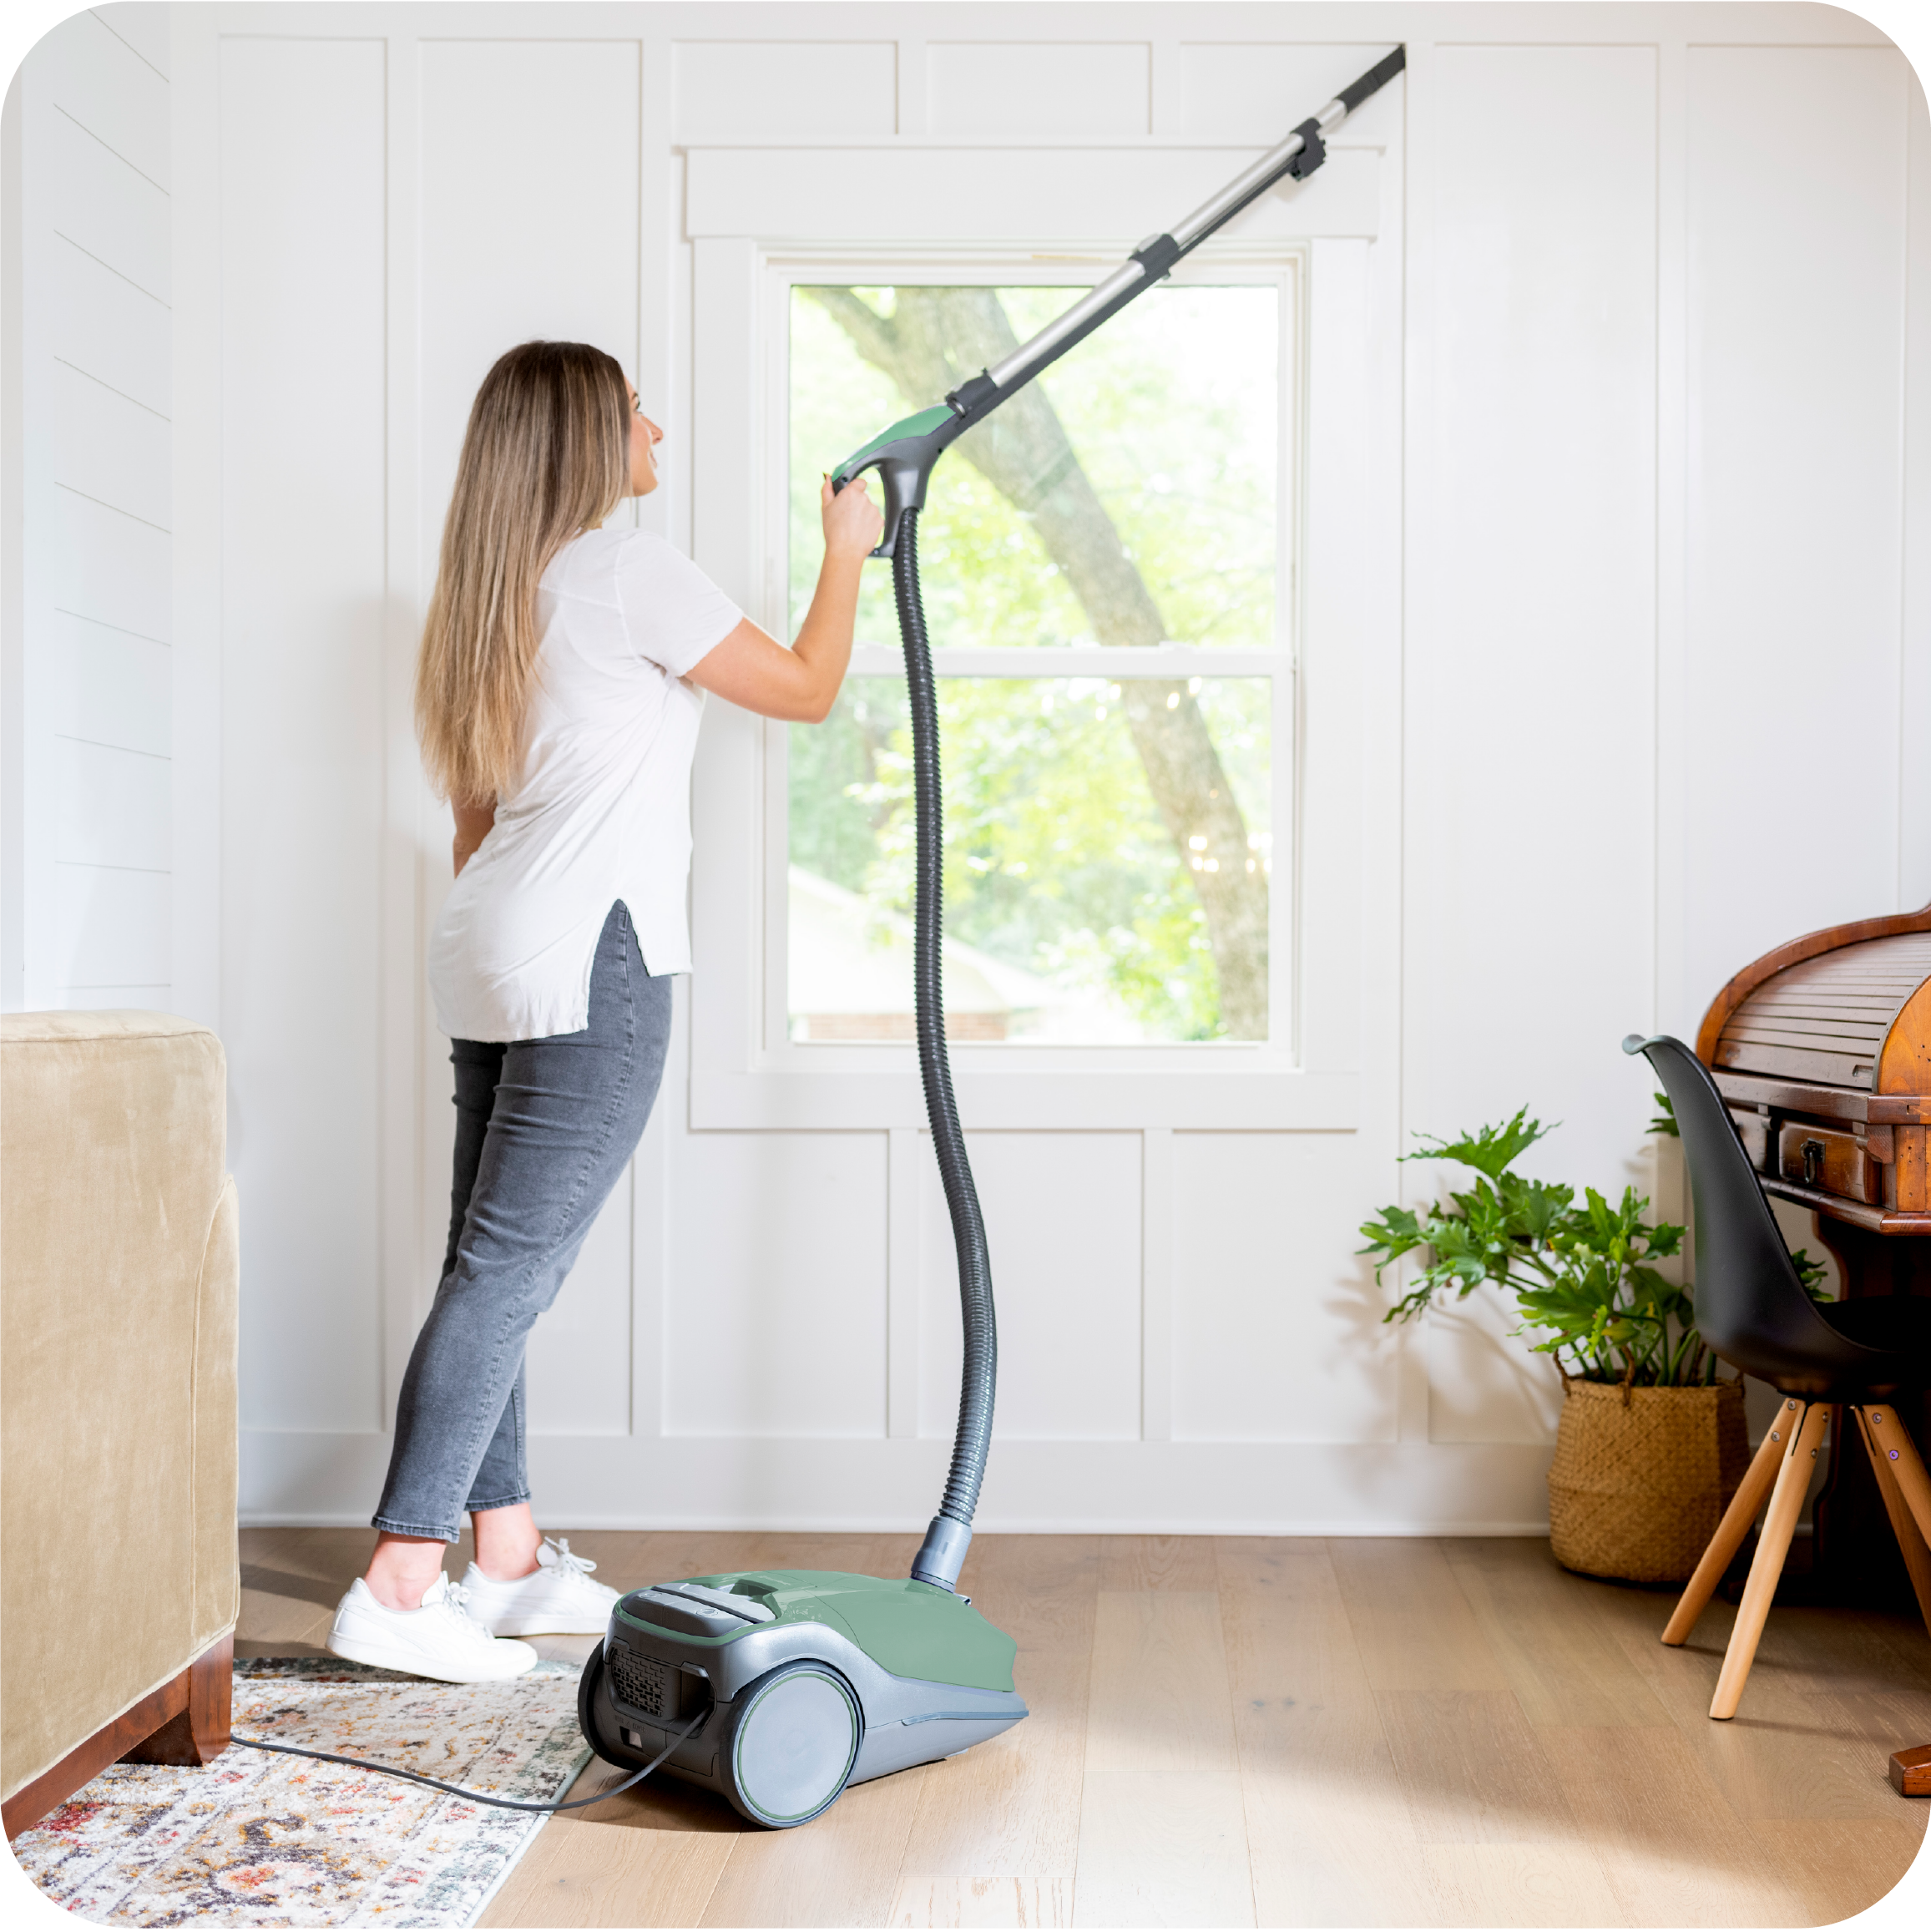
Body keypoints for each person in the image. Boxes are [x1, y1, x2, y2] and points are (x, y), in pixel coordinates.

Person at [326, 340, 882, 1682]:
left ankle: (503, 1561)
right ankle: (403, 1579)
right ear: (589, 434)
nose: (660, 428)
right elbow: (806, 690)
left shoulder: (487, 597)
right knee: (506, 1274)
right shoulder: (630, 573)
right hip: (594, 960)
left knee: (486, 1267)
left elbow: (474, 819)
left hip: (488, 951)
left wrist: (520, 944)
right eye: (639, 409)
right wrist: (849, 546)